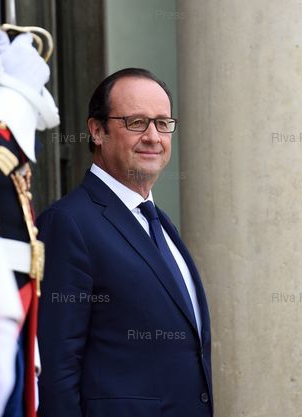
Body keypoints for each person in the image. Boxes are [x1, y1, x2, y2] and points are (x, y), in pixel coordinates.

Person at [37, 68, 212, 417]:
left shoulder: (160, 223)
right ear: (97, 130)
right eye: (137, 123)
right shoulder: (68, 223)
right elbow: (56, 369)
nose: (153, 137)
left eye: (163, 123)